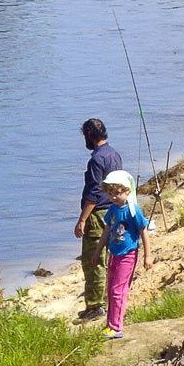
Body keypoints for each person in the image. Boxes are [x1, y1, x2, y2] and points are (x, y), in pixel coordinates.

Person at [92, 170, 153, 339]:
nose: (114, 197)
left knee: (118, 291)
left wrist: (148, 256)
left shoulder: (133, 211)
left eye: (117, 193)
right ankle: (110, 324)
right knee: (111, 290)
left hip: (128, 255)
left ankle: (116, 326)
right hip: (114, 254)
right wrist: (98, 251)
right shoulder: (113, 209)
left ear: (127, 191)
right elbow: (107, 230)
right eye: (110, 193)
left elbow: (143, 231)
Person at [75, 118, 122, 321]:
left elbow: (94, 193)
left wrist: (82, 219)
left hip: (98, 214)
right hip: (113, 210)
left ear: (89, 135)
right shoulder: (114, 154)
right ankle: (105, 301)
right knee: (108, 259)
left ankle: (95, 306)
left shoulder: (96, 160)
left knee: (93, 260)